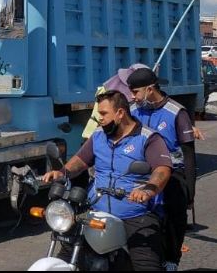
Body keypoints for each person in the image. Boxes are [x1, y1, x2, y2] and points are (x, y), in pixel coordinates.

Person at [43, 89, 172, 271]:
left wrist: (149, 189)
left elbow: (162, 169)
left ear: (120, 113)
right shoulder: (98, 136)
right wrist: (62, 172)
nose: (100, 118)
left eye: (104, 114)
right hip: (95, 210)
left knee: (146, 265)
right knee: (66, 254)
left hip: (135, 213)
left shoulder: (148, 138)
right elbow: (81, 160)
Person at [126, 67, 196, 272]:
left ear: (150, 89)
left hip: (172, 175)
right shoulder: (132, 111)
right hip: (141, 173)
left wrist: (190, 191)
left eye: (136, 92)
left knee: (174, 216)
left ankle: (172, 259)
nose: (133, 97)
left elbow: (188, 154)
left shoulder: (176, 112)